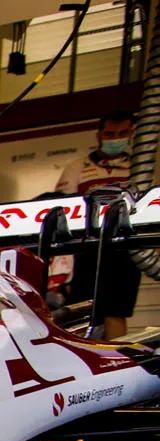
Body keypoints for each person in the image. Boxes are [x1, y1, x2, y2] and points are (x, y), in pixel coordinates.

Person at [57, 111, 140, 339]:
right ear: (99, 135)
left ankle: (117, 362)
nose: (116, 138)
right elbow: (62, 210)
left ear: (132, 134)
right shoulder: (77, 167)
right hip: (86, 251)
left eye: (122, 133)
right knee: (81, 313)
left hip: (125, 248)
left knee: (116, 314)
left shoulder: (140, 168)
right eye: (110, 133)